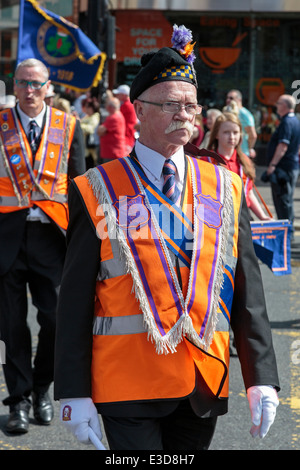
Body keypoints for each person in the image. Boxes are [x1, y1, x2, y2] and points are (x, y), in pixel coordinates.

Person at [54, 25, 279, 451]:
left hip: (203, 380)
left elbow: (248, 293)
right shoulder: (96, 187)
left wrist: (261, 377)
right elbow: (76, 298)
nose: (186, 116)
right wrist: (73, 390)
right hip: (127, 382)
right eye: (172, 105)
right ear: (139, 109)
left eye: (192, 107)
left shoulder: (225, 186)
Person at [0, 58, 86, 434]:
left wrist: (86, 241)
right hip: (6, 237)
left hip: (53, 239)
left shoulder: (69, 126)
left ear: (48, 86)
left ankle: (41, 389)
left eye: (36, 83)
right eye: (22, 83)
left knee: (55, 320)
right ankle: (16, 399)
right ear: (13, 85)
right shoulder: (0, 125)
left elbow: (81, 186)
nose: (29, 90)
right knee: (10, 326)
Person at [208, 112, 271, 221]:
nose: (232, 137)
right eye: (226, 132)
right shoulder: (206, 160)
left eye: (235, 132)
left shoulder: (245, 161)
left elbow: (249, 193)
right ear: (216, 134)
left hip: (242, 218)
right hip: (216, 218)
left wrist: (262, 216)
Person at [265, 94, 300, 239]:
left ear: (285, 106)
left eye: (278, 103)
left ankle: (286, 233)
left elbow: (283, 145)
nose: (276, 106)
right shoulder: (295, 121)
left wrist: (272, 165)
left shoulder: (287, 122)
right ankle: (287, 232)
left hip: (283, 168)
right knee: (286, 200)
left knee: (282, 201)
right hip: (291, 166)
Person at [226, 89, 257, 158]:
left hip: (242, 154)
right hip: (231, 153)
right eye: (227, 98)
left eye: (231, 98)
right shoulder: (228, 112)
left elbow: (253, 135)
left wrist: (249, 149)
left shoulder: (244, 114)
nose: (228, 100)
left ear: (239, 100)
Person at [97, 96, 126, 163]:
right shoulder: (117, 115)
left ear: (110, 107)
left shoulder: (113, 117)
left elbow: (100, 131)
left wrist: (100, 128)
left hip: (112, 153)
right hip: (112, 153)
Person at [113, 84, 138, 153]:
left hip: (126, 137)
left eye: (119, 94)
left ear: (124, 95)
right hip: (128, 136)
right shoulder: (129, 104)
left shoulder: (126, 105)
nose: (117, 95)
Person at [80, 98, 100, 169]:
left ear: (92, 108)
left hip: (90, 150)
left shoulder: (95, 117)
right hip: (85, 148)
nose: (86, 109)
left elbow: (90, 129)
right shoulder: (88, 116)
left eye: (87, 107)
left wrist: (79, 125)